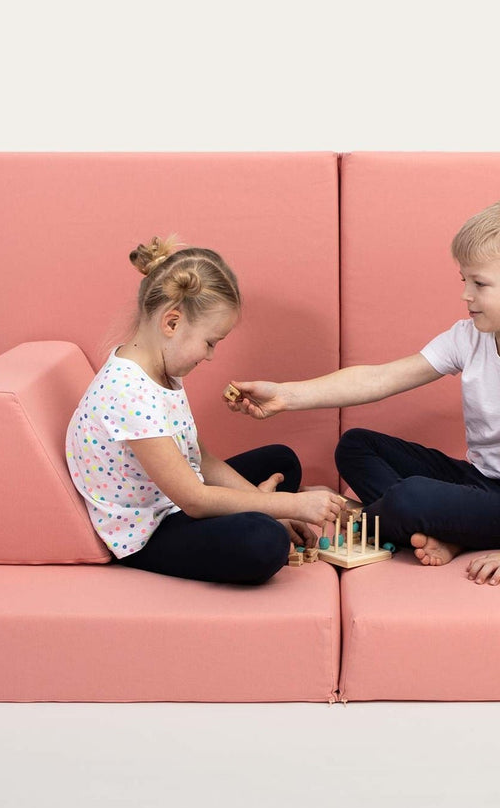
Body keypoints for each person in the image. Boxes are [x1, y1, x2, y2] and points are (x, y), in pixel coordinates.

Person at [224, 200, 500, 587]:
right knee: (355, 445)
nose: (465, 295)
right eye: (464, 281)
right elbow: (381, 379)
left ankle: (378, 518)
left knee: (411, 498)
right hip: (476, 479)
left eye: (479, 283)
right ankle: (440, 529)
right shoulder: (469, 337)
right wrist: (286, 396)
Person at [65, 235, 347, 584]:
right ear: (171, 323)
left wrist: (259, 502)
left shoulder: (161, 368)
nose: (211, 355)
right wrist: (287, 508)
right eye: (210, 342)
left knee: (282, 460)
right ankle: (260, 512)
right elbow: (194, 500)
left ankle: (257, 507)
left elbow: (199, 458)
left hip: (175, 499)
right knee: (264, 541)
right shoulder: (127, 393)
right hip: (151, 530)